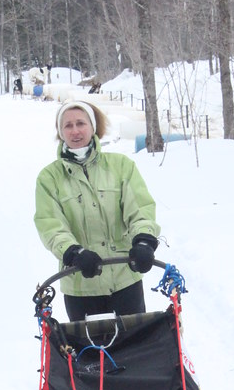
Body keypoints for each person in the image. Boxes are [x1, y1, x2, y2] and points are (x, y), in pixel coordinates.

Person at [34, 99, 160, 322]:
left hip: (125, 281)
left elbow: (139, 209)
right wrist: (73, 253)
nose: (75, 131)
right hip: (80, 285)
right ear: (60, 132)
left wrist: (143, 242)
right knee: (90, 356)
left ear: (93, 127)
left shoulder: (121, 166)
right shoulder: (49, 178)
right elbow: (50, 225)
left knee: (132, 353)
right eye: (68, 125)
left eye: (81, 123)